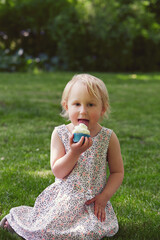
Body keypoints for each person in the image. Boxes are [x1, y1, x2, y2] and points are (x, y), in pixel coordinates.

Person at [0, 73, 124, 239]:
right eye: (77, 104)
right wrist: (74, 152)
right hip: (64, 200)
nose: (83, 111)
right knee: (46, 229)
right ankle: (18, 223)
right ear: (67, 107)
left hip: (92, 202)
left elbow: (117, 172)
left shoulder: (108, 137)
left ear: (103, 109)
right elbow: (58, 172)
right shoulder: (60, 134)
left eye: (91, 104)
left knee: (89, 232)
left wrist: (103, 198)